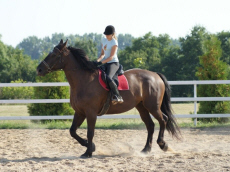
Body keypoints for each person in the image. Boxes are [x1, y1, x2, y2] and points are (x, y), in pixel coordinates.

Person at [94, 25, 123, 104]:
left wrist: (101, 62)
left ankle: (118, 95)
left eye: (108, 34)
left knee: (108, 77)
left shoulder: (114, 42)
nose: (106, 36)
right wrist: (97, 61)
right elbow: (102, 54)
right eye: (105, 34)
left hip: (114, 63)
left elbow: (111, 57)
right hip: (106, 63)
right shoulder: (104, 40)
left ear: (112, 34)